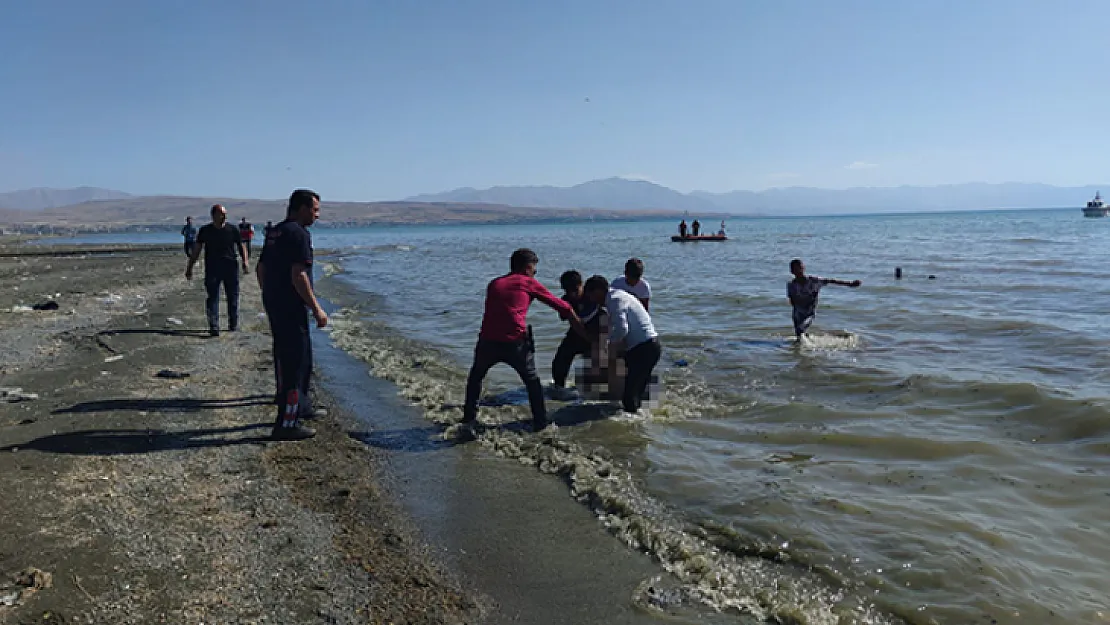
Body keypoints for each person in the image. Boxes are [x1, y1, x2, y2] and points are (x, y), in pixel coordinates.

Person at [462, 249, 585, 432]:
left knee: (476, 377)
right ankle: (540, 423)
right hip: (515, 343)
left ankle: (468, 418)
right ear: (527, 268)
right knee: (533, 383)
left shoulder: (494, 284)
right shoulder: (528, 283)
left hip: (487, 340)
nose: (534, 274)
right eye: (534, 271)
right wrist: (583, 330)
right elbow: (562, 307)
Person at [257, 189, 327, 441]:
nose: (317, 215)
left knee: (299, 358)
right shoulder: (298, 234)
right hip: (290, 307)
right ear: (300, 208)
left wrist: (270, 296)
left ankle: (302, 406)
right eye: (314, 209)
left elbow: (261, 268)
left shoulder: (275, 232)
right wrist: (317, 308)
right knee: (294, 364)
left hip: (276, 304)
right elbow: (298, 275)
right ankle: (287, 424)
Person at [584, 275, 661, 414]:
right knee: (636, 392)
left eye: (591, 296)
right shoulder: (617, 296)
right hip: (647, 346)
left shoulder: (615, 300)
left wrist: (609, 344)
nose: (592, 300)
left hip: (644, 349)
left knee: (629, 398)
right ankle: (642, 423)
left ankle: (634, 424)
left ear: (598, 291)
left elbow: (622, 328)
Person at [185, 204, 248, 336]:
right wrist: (190, 267)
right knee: (213, 297)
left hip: (230, 266)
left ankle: (233, 324)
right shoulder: (205, 231)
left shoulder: (233, 229)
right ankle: (214, 325)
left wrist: (245, 261)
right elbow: (197, 249)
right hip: (213, 267)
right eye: (222, 214)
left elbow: (241, 246)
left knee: (233, 296)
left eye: (225, 213)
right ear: (214, 215)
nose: (225, 216)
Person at [551, 270, 604, 390]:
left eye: (575, 290)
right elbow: (565, 318)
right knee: (560, 361)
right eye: (568, 291)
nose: (572, 294)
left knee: (590, 372)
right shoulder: (566, 300)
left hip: (596, 336)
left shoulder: (592, 296)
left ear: (581, 285)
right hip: (576, 335)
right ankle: (559, 389)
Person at [787, 258, 861, 339]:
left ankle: (807, 344)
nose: (798, 271)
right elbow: (791, 300)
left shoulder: (814, 281)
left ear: (803, 268)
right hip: (797, 313)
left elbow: (831, 281)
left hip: (809, 312)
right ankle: (803, 345)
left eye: (799, 268)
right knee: (799, 334)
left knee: (800, 330)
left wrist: (849, 284)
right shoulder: (791, 285)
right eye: (795, 269)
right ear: (792, 271)